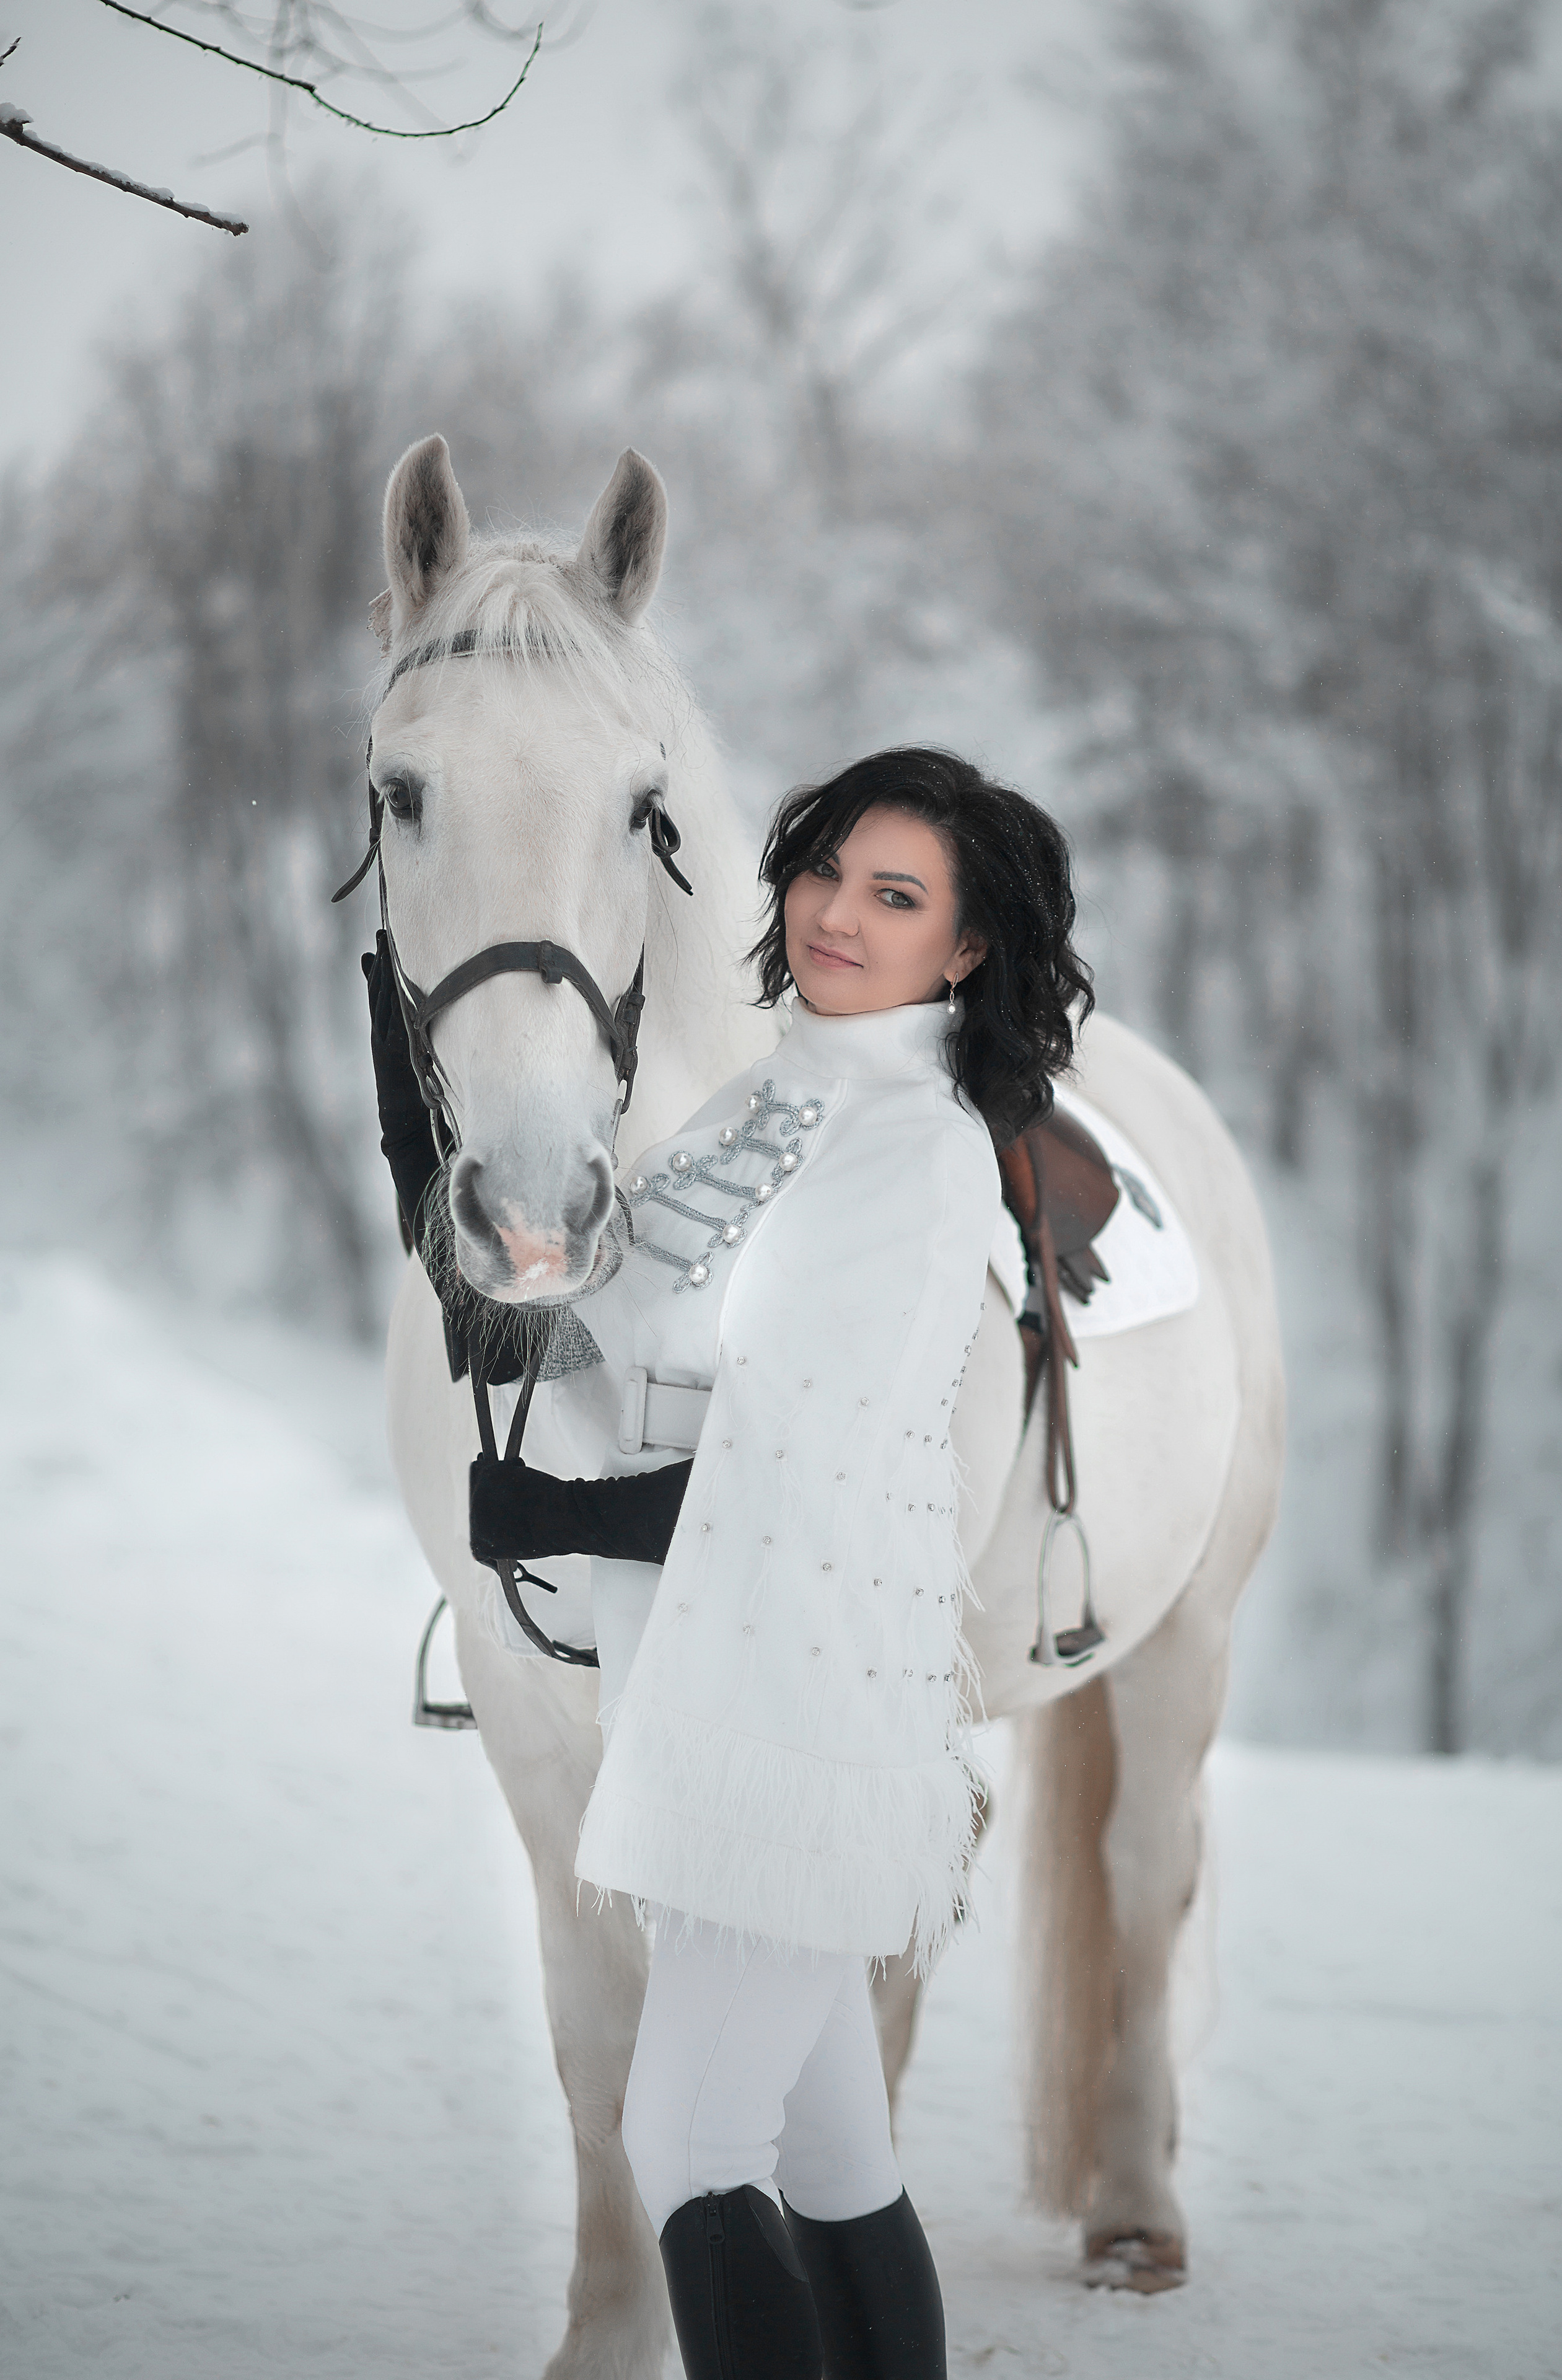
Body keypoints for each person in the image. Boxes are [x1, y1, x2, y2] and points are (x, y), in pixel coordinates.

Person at [367, 746, 1093, 2380]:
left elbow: (793, 1466)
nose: (837, 914)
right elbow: (612, 1326)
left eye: (895, 896)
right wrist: (431, 1179)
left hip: (793, 1712)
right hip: (724, 1692)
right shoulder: (782, 1096)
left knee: (688, 2139)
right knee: (835, 2158)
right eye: (826, 869)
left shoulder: (906, 1143)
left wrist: (563, 1521)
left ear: (966, 951)